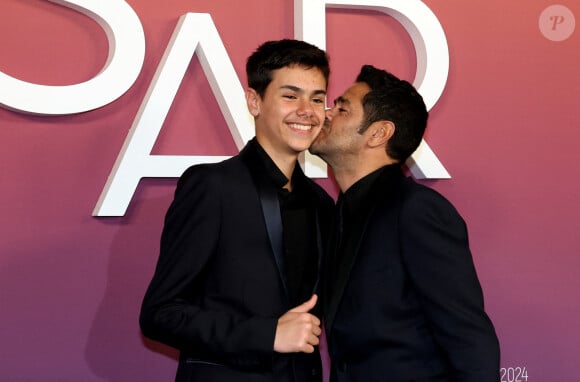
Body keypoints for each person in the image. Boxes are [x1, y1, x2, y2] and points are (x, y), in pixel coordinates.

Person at [139, 39, 334, 382]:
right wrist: (267, 334)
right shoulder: (214, 187)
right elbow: (160, 313)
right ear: (254, 101)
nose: (307, 110)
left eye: (317, 98)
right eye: (291, 96)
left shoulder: (321, 204)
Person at [310, 65, 500, 382]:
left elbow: (469, 339)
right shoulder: (338, 212)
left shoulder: (416, 210)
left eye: (342, 108)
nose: (326, 114)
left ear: (379, 133)